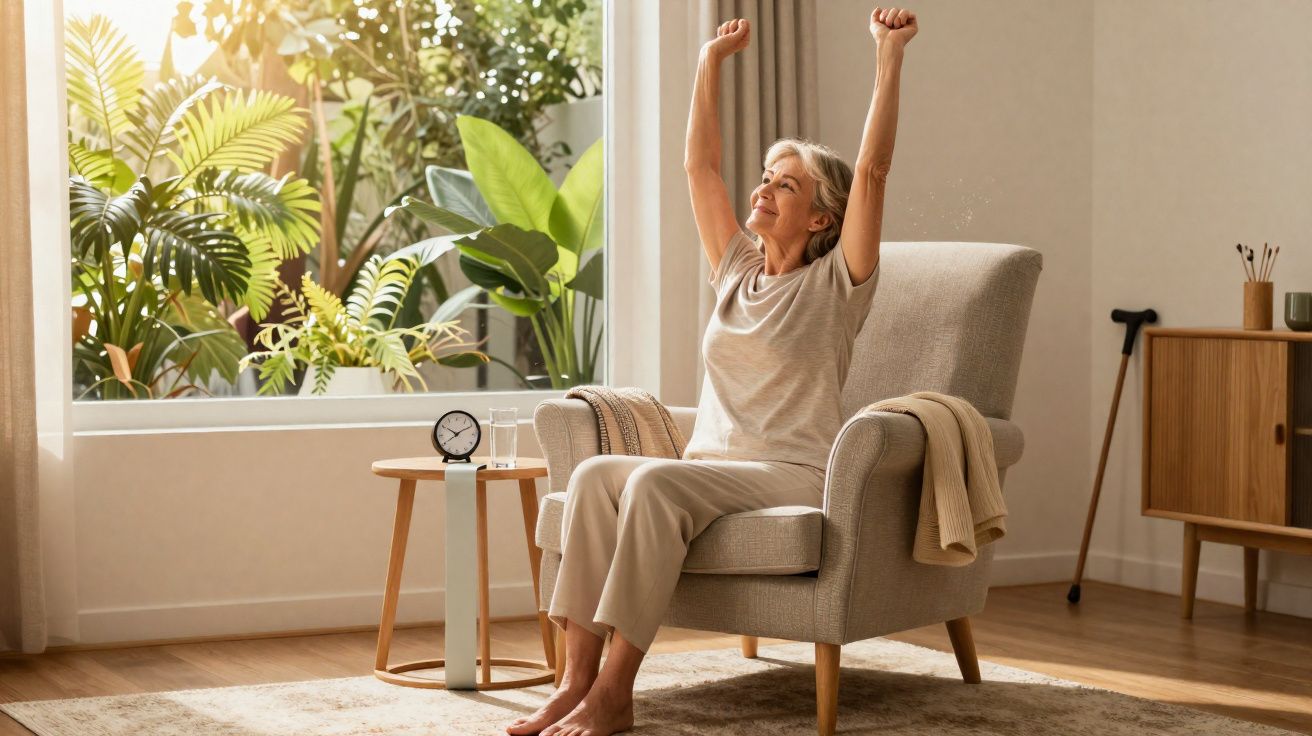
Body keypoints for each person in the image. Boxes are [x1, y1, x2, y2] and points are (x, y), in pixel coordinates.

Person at [505, 6, 917, 735]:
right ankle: (575, 679)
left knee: (656, 483)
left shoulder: (839, 282)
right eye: (766, 177)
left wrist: (888, 58)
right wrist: (706, 65)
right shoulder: (735, 269)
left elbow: (875, 172)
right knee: (598, 475)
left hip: (790, 467)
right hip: (716, 465)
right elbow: (699, 167)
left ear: (823, 218)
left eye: (785, 186)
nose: (763, 190)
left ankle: (616, 693)